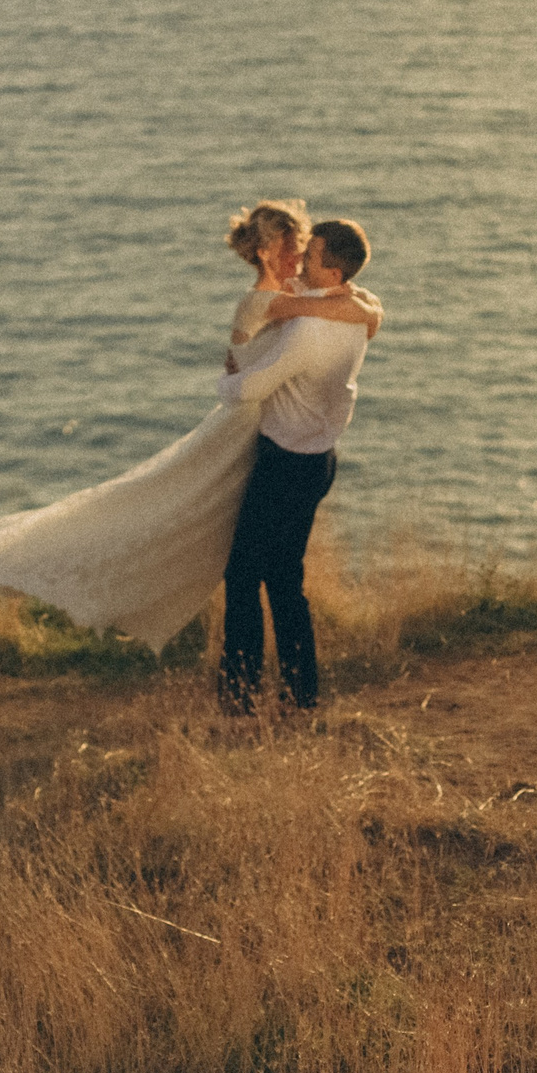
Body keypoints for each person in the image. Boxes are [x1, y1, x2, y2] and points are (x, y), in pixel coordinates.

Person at [0, 202, 378, 651]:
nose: (297, 257)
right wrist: (353, 304)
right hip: (252, 427)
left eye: (303, 249)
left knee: (241, 559)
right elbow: (357, 312)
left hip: (268, 433)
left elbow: (354, 313)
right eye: (291, 247)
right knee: (185, 517)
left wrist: (349, 305)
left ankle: (254, 687)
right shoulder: (271, 302)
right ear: (265, 253)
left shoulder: (300, 298)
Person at [213, 217, 373, 715]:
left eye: (312, 253)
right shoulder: (354, 313)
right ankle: (301, 696)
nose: (301, 260)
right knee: (284, 581)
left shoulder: (309, 329)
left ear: (333, 269)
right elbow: (370, 307)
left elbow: (250, 388)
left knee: (243, 577)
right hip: (319, 462)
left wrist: (232, 372)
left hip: (282, 465)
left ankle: (239, 698)